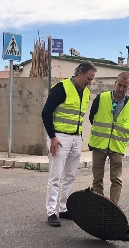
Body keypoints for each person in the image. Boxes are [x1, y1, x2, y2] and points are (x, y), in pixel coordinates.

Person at [41, 61, 97, 227]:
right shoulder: (62, 88)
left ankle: (64, 209)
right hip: (59, 138)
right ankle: (51, 212)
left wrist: (79, 138)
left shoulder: (86, 92)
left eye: (92, 79)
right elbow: (46, 113)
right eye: (88, 78)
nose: (90, 82)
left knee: (70, 176)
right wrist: (52, 137)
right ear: (79, 73)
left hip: (75, 138)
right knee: (56, 176)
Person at [88, 72, 129, 204]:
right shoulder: (101, 97)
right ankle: (99, 206)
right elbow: (92, 117)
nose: (121, 89)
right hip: (99, 144)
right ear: (115, 83)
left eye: (124, 86)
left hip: (117, 146)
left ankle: (113, 207)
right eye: (119, 85)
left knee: (116, 179)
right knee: (97, 179)